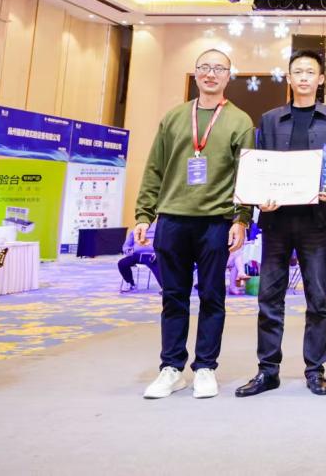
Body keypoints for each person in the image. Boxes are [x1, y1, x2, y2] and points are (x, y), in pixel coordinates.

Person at [133, 48, 253, 399]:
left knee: (212, 296)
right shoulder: (173, 118)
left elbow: (245, 175)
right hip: (172, 220)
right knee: (173, 296)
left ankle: (205, 367)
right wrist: (144, 214)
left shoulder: (240, 121)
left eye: (219, 68)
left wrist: (241, 219)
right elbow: (154, 168)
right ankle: (171, 367)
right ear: (196, 73)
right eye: (204, 67)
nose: (211, 74)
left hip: (215, 222)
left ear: (229, 75)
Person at [236, 49, 326, 398]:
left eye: (310, 72)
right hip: (276, 221)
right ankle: (267, 370)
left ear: (321, 79)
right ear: (289, 77)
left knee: (318, 300)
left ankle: (315, 371)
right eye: (297, 71)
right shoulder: (270, 119)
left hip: (317, 222)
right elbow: (259, 165)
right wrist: (259, 196)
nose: (303, 77)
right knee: (269, 299)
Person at [118, 224, 161, 290]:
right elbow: (126, 245)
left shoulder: (158, 229)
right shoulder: (135, 230)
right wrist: (129, 252)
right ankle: (130, 283)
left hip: (151, 255)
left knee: (157, 267)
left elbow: (163, 243)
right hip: (136, 255)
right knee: (122, 263)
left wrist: (157, 253)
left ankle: (165, 288)